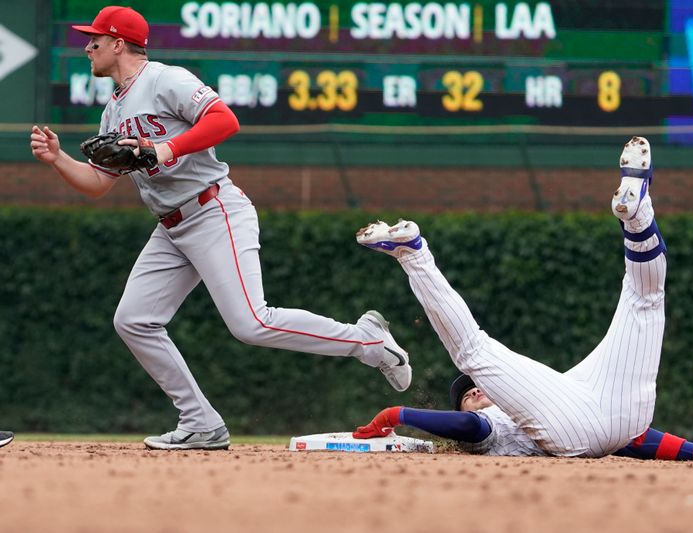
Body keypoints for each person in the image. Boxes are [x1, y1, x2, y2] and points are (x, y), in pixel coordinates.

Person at [29, 5, 410, 451]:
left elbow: (225, 119)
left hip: (214, 211)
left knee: (251, 323)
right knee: (134, 320)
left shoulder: (164, 79)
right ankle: (200, 422)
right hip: (170, 228)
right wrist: (59, 160)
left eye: (94, 38)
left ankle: (367, 341)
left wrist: (163, 149)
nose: (86, 46)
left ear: (118, 43)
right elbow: (97, 184)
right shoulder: (112, 112)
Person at [351, 137, 693, 465]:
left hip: (612, 409)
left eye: (472, 391)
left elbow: (632, 439)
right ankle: (413, 253)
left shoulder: (542, 394)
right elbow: (468, 429)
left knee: (645, 297)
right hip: (572, 430)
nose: (472, 393)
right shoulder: (486, 424)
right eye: (466, 396)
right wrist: (398, 415)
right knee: (474, 350)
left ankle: (637, 212)